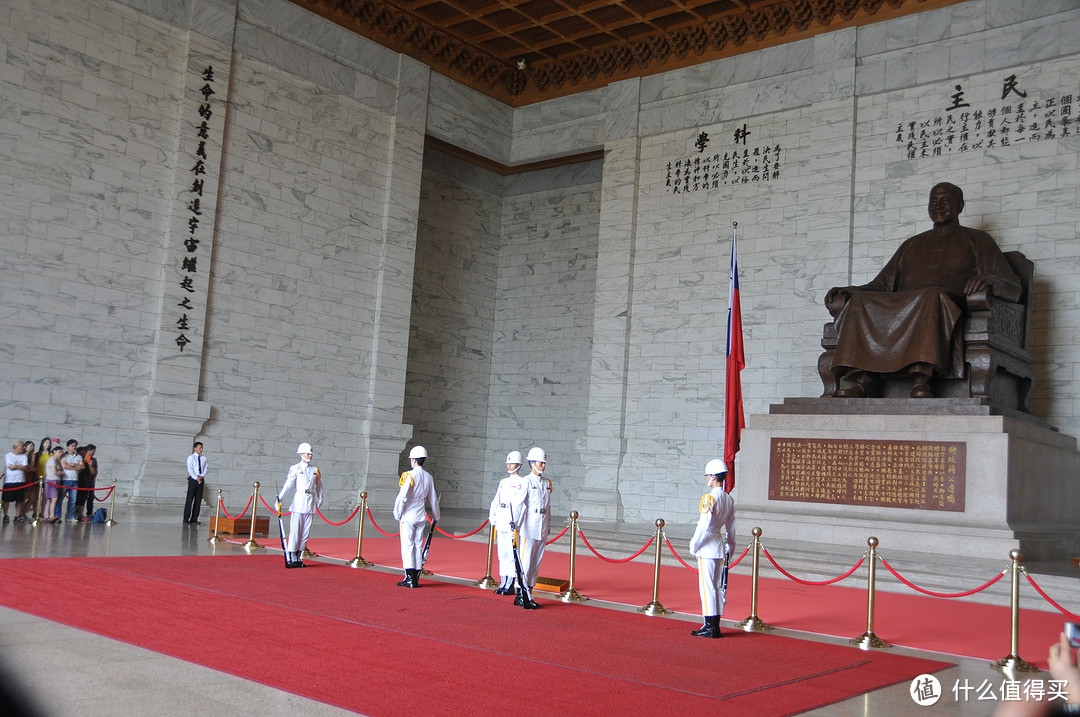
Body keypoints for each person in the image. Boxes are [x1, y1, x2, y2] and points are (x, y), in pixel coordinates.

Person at [826, 182, 1021, 398]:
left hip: (943, 302)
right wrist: (851, 290)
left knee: (931, 295)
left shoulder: (978, 240)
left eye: (945, 200)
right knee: (860, 301)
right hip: (906, 302)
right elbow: (881, 284)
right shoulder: (912, 244)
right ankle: (865, 379)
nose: (938, 206)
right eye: (933, 201)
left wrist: (987, 281)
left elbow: (1011, 284)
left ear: (960, 206)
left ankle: (921, 379)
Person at [688, 459, 736, 639]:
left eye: (707, 475)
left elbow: (703, 526)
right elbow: (731, 528)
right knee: (716, 587)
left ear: (714, 477)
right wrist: (731, 546)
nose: (706, 478)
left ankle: (710, 626)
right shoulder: (729, 499)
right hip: (719, 547)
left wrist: (694, 545)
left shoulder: (710, 498)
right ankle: (714, 625)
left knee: (707, 588)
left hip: (707, 545)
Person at [393, 445, 440, 588]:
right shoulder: (428, 477)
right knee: (418, 546)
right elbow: (433, 499)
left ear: (413, 460)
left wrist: (397, 513)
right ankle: (416, 577)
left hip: (408, 514)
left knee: (407, 546)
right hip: (421, 515)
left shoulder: (409, 475)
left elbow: (402, 497)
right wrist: (436, 517)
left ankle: (409, 577)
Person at [514, 446, 552, 610]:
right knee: (526, 561)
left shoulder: (545, 483)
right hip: (529, 526)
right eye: (540, 462)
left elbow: (548, 507)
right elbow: (517, 504)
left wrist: (548, 526)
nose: (543, 465)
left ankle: (529, 590)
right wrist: (514, 524)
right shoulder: (526, 482)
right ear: (532, 463)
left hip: (541, 526)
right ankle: (521, 593)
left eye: (544, 463)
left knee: (535, 562)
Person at [276, 442, 323, 568]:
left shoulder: (315, 470)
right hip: (299, 502)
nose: (310, 456)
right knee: (295, 531)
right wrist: (279, 499)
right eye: (308, 453)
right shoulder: (295, 468)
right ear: (301, 454)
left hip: (310, 502)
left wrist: (320, 499)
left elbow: (319, 486)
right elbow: (288, 485)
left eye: (311, 454)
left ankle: (298, 557)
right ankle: (291, 556)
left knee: (305, 533)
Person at [488, 450, 526, 595]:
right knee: (502, 553)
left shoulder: (522, 482)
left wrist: (516, 521)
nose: (509, 466)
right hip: (501, 519)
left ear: (519, 464)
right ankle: (503, 580)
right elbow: (496, 501)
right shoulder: (503, 482)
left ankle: (511, 581)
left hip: (511, 521)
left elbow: (520, 505)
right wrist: (493, 516)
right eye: (508, 463)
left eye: (511, 463)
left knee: (511, 554)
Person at [3, 441, 29, 524]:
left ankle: (17, 516)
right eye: (22, 446)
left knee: (19, 500)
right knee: (6, 499)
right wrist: (19, 466)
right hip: (10, 481)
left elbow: (25, 467)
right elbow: (10, 467)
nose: (24, 448)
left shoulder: (24, 456)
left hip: (20, 480)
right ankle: (5, 515)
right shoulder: (8, 455)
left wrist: (16, 466)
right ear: (16, 447)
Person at [57, 439, 83, 523]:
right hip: (65, 479)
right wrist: (76, 467)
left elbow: (82, 467)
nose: (74, 447)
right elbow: (64, 466)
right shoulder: (64, 456)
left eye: (75, 446)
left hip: (75, 480)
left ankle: (70, 515)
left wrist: (74, 465)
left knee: (73, 499)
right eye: (72, 446)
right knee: (60, 498)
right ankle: (57, 515)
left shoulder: (78, 456)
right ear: (68, 447)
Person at [184, 441, 208, 524]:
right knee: (190, 499)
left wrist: (201, 476)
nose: (201, 449)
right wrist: (196, 477)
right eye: (199, 448)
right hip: (193, 480)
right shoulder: (191, 457)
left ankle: (194, 519)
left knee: (198, 500)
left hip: (200, 479)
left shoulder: (204, 458)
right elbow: (190, 469)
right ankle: (186, 519)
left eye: (202, 448)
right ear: (195, 448)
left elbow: (205, 468)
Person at [74, 444, 97, 522]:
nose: (93, 453)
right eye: (92, 451)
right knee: (75, 498)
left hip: (88, 481)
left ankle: (83, 514)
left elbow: (94, 472)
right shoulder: (79, 458)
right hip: (78, 480)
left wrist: (90, 466)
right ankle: (73, 513)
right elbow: (77, 469)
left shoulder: (93, 460)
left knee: (85, 498)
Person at [43, 445, 64, 523]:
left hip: (56, 481)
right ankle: (51, 515)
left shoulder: (57, 460)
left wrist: (60, 472)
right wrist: (59, 472)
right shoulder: (52, 460)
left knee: (50, 499)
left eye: (61, 452)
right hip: (51, 480)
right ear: (54, 451)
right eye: (59, 452)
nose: (61, 453)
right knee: (53, 499)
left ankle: (46, 515)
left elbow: (60, 471)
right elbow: (55, 472)